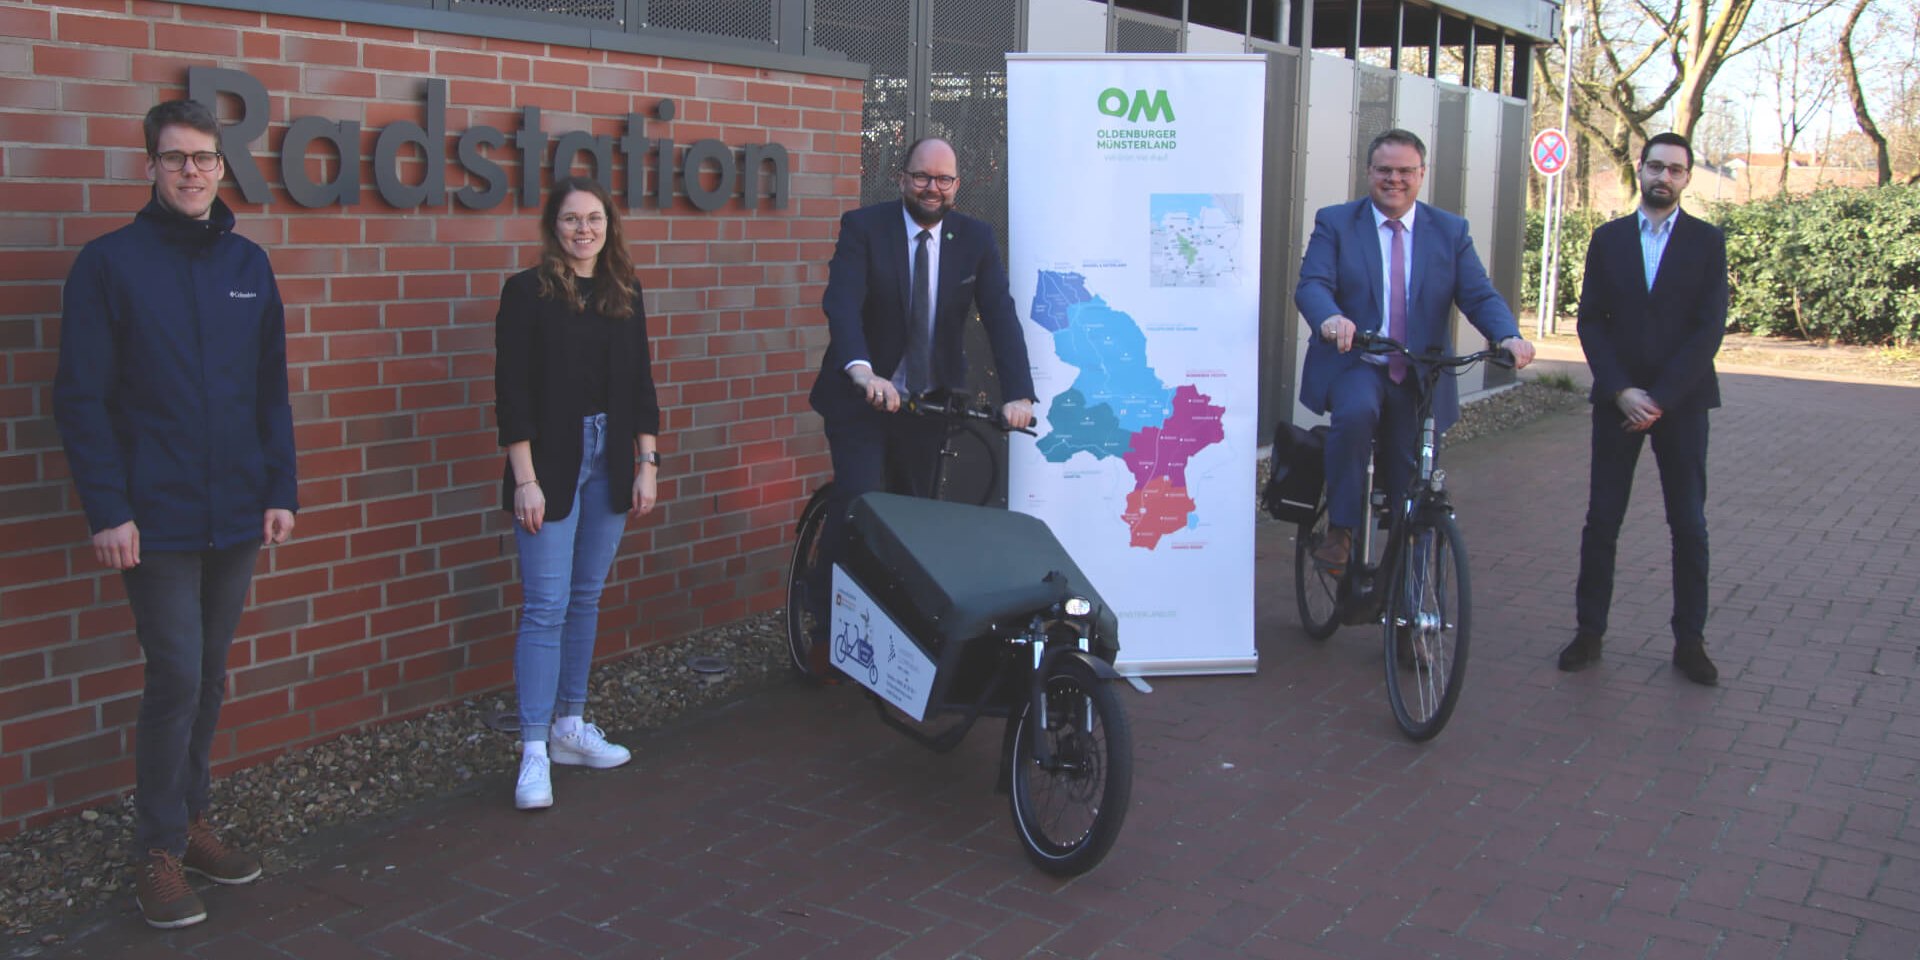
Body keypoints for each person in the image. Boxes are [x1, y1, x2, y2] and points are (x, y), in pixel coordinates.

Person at [53, 98, 296, 929]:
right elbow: (81, 400)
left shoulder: (248, 264)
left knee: (212, 674)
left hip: (235, 512)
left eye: (203, 158)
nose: (191, 171)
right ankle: (156, 848)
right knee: (177, 676)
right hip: (151, 519)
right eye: (174, 158)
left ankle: (192, 824)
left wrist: (279, 490)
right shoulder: (109, 265)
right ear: (149, 167)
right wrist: (108, 510)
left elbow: (272, 390)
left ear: (222, 167)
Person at [800, 136, 1037, 675]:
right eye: (922, 176)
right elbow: (842, 304)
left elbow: (999, 314)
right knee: (859, 504)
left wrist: (1018, 393)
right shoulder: (865, 227)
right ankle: (821, 617)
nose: (932, 187)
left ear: (957, 185)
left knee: (914, 521)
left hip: (927, 403)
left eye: (943, 179)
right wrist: (861, 369)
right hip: (862, 397)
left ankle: (896, 631)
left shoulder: (974, 238)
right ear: (901, 177)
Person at [1294, 129, 1535, 571]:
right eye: (1385, 170)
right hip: (1359, 361)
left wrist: (1507, 336)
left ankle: (1409, 581)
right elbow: (1313, 284)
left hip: (1421, 372)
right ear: (1369, 172)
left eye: (1406, 171)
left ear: (1422, 174)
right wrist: (1330, 317)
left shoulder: (1449, 230)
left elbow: (1478, 295)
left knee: (1416, 471)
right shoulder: (1337, 222)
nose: (1395, 179)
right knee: (1355, 415)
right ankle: (1342, 529)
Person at [493, 176, 662, 809]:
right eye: (571, 219)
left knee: (585, 596)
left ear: (609, 225)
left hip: (613, 459)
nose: (583, 229)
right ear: (553, 227)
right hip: (551, 463)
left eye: (594, 218)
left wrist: (648, 462)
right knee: (545, 604)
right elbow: (510, 395)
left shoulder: (625, 292)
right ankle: (534, 748)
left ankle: (570, 725)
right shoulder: (526, 293)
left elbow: (641, 383)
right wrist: (525, 479)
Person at [1557, 133, 1727, 686]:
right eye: (1656, 166)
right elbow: (1590, 321)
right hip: (1619, 401)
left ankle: (1689, 642)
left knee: (1690, 525)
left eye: (1676, 170)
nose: (1664, 177)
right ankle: (1589, 633)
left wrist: (1661, 398)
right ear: (1640, 168)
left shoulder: (1707, 242)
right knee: (1602, 520)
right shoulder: (1608, 240)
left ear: (1687, 178)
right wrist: (1621, 390)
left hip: (1682, 404)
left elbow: (1708, 328)